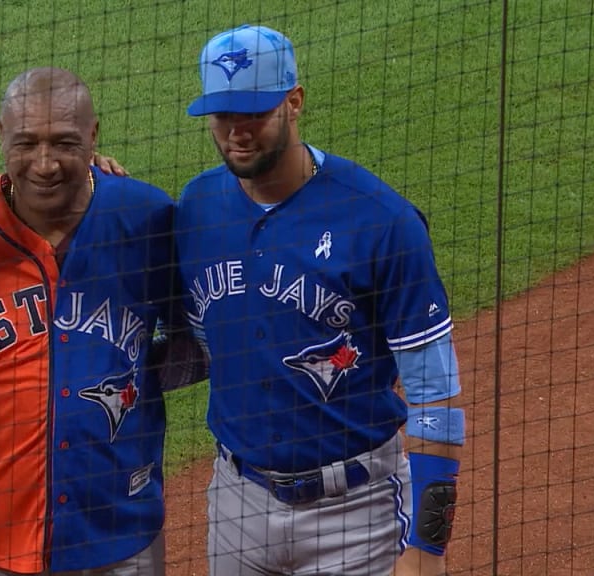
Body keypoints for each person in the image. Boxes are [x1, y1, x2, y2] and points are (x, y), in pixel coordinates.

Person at [174, 25, 464, 576]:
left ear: (295, 102)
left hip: (357, 516)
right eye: (222, 115)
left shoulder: (382, 220)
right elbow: (206, 344)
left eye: (254, 113)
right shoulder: (196, 209)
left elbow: (437, 396)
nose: (237, 131)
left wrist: (427, 547)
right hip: (238, 506)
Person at [0, 66, 205, 576]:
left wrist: (134, 380)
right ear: (0, 134)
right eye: (26, 142)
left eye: (65, 143)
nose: (45, 164)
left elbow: (205, 337)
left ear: (94, 137)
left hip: (119, 524)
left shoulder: (146, 218)